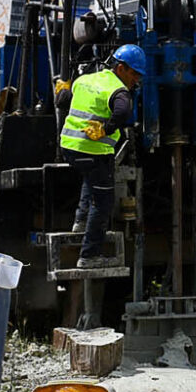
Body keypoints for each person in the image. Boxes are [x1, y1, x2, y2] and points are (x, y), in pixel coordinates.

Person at [59, 43, 146, 267]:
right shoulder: (118, 90)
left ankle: (80, 221)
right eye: (134, 73)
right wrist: (106, 129)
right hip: (92, 150)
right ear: (121, 68)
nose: (136, 79)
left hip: (69, 148)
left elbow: (63, 101)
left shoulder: (85, 80)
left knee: (93, 178)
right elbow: (124, 112)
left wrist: (62, 90)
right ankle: (89, 256)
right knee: (103, 202)